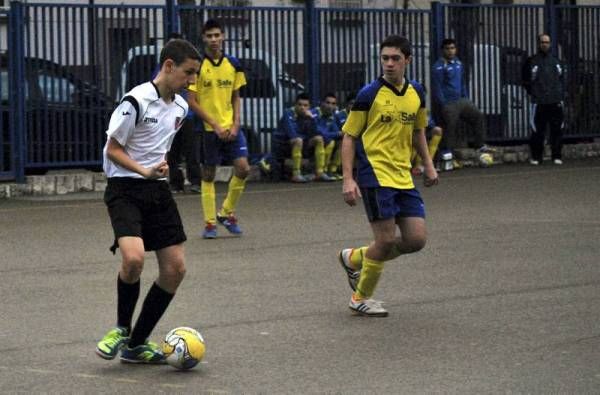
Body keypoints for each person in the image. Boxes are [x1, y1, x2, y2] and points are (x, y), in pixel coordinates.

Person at [95, 39, 201, 363]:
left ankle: (136, 345)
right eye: (189, 73)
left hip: (157, 190)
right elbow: (112, 149)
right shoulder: (135, 101)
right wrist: (144, 170)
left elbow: (160, 144)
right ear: (168, 66)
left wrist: (164, 165)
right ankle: (121, 328)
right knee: (134, 259)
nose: (192, 81)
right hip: (125, 188)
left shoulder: (180, 108)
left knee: (175, 269)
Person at [337, 35, 438, 317]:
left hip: (403, 176)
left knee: (416, 240)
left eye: (395, 58)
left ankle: (355, 257)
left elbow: (419, 131)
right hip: (375, 175)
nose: (389, 64)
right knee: (384, 240)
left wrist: (428, 164)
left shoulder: (417, 92)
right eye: (385, 58)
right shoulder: (368, 94)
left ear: (408, 60)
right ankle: (360, 297)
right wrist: (348, 178)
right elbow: (349, 136)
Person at [187, 19, 250, 239]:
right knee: (208, 173)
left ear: (223, 36)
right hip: (208, 128)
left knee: (243, 168)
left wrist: (236, 123)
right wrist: (213, 124)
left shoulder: (233, 64)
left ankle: (226, 213)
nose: (214, 40)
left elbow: (236, 96)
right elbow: (192, 101)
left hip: (230, 127)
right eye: (209, 36)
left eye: (217, 35)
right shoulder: (198, 66)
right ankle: (210, 223)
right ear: (203, 38)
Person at [431, 38, 492, 165]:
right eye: (448, 49)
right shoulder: (438, 66)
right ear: (443, 50)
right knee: (449, 126)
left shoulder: (458, 63)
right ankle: (447, 153)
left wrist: (466, 96)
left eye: (452, 48)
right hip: (449, 103)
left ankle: (479, 144)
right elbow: (437, 87)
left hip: (462, 100)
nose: (450, 51)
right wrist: (443, 103)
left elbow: (462, 82)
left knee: (478, 116)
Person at [521, 33, 566, 166]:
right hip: (539, 102)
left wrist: (559, 94)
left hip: (555, 101)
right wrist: (533, 93)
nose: (544, 44)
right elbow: (525, 79)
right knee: (537, 130)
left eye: (547, 42)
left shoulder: (556, 61)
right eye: (542, 42)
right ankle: (536, 157)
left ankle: (556, 156)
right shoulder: (532, 61)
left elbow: (562, 79)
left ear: (550, 44)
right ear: (538, 44)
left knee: (557, 129)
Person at [271, 92, 332, 183]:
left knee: (318, 139)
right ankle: (296, 174)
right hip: (282, 145)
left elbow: (315, 132)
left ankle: (319, 172)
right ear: (295, 105)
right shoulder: (288, 113)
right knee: (298, 140)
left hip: (299, 143)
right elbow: (292, 134)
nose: (302, 107)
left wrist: (311, 119)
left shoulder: (308, 116)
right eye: (299, 105)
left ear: (309, 107)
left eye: (305, 105)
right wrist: (305, 137)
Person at [311, 92, 341, 181]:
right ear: (322, 103)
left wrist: (338, 134)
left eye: (333, 104)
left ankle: (330, 171)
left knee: (340, 142)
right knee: (320, 138)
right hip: (307, 142)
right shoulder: (314, 113)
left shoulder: (331, 116)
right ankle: (320, 172)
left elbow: (335, 132)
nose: (330, 106)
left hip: (323, 142)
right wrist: (337, 134)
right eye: (327, 103)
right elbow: (318, 131)